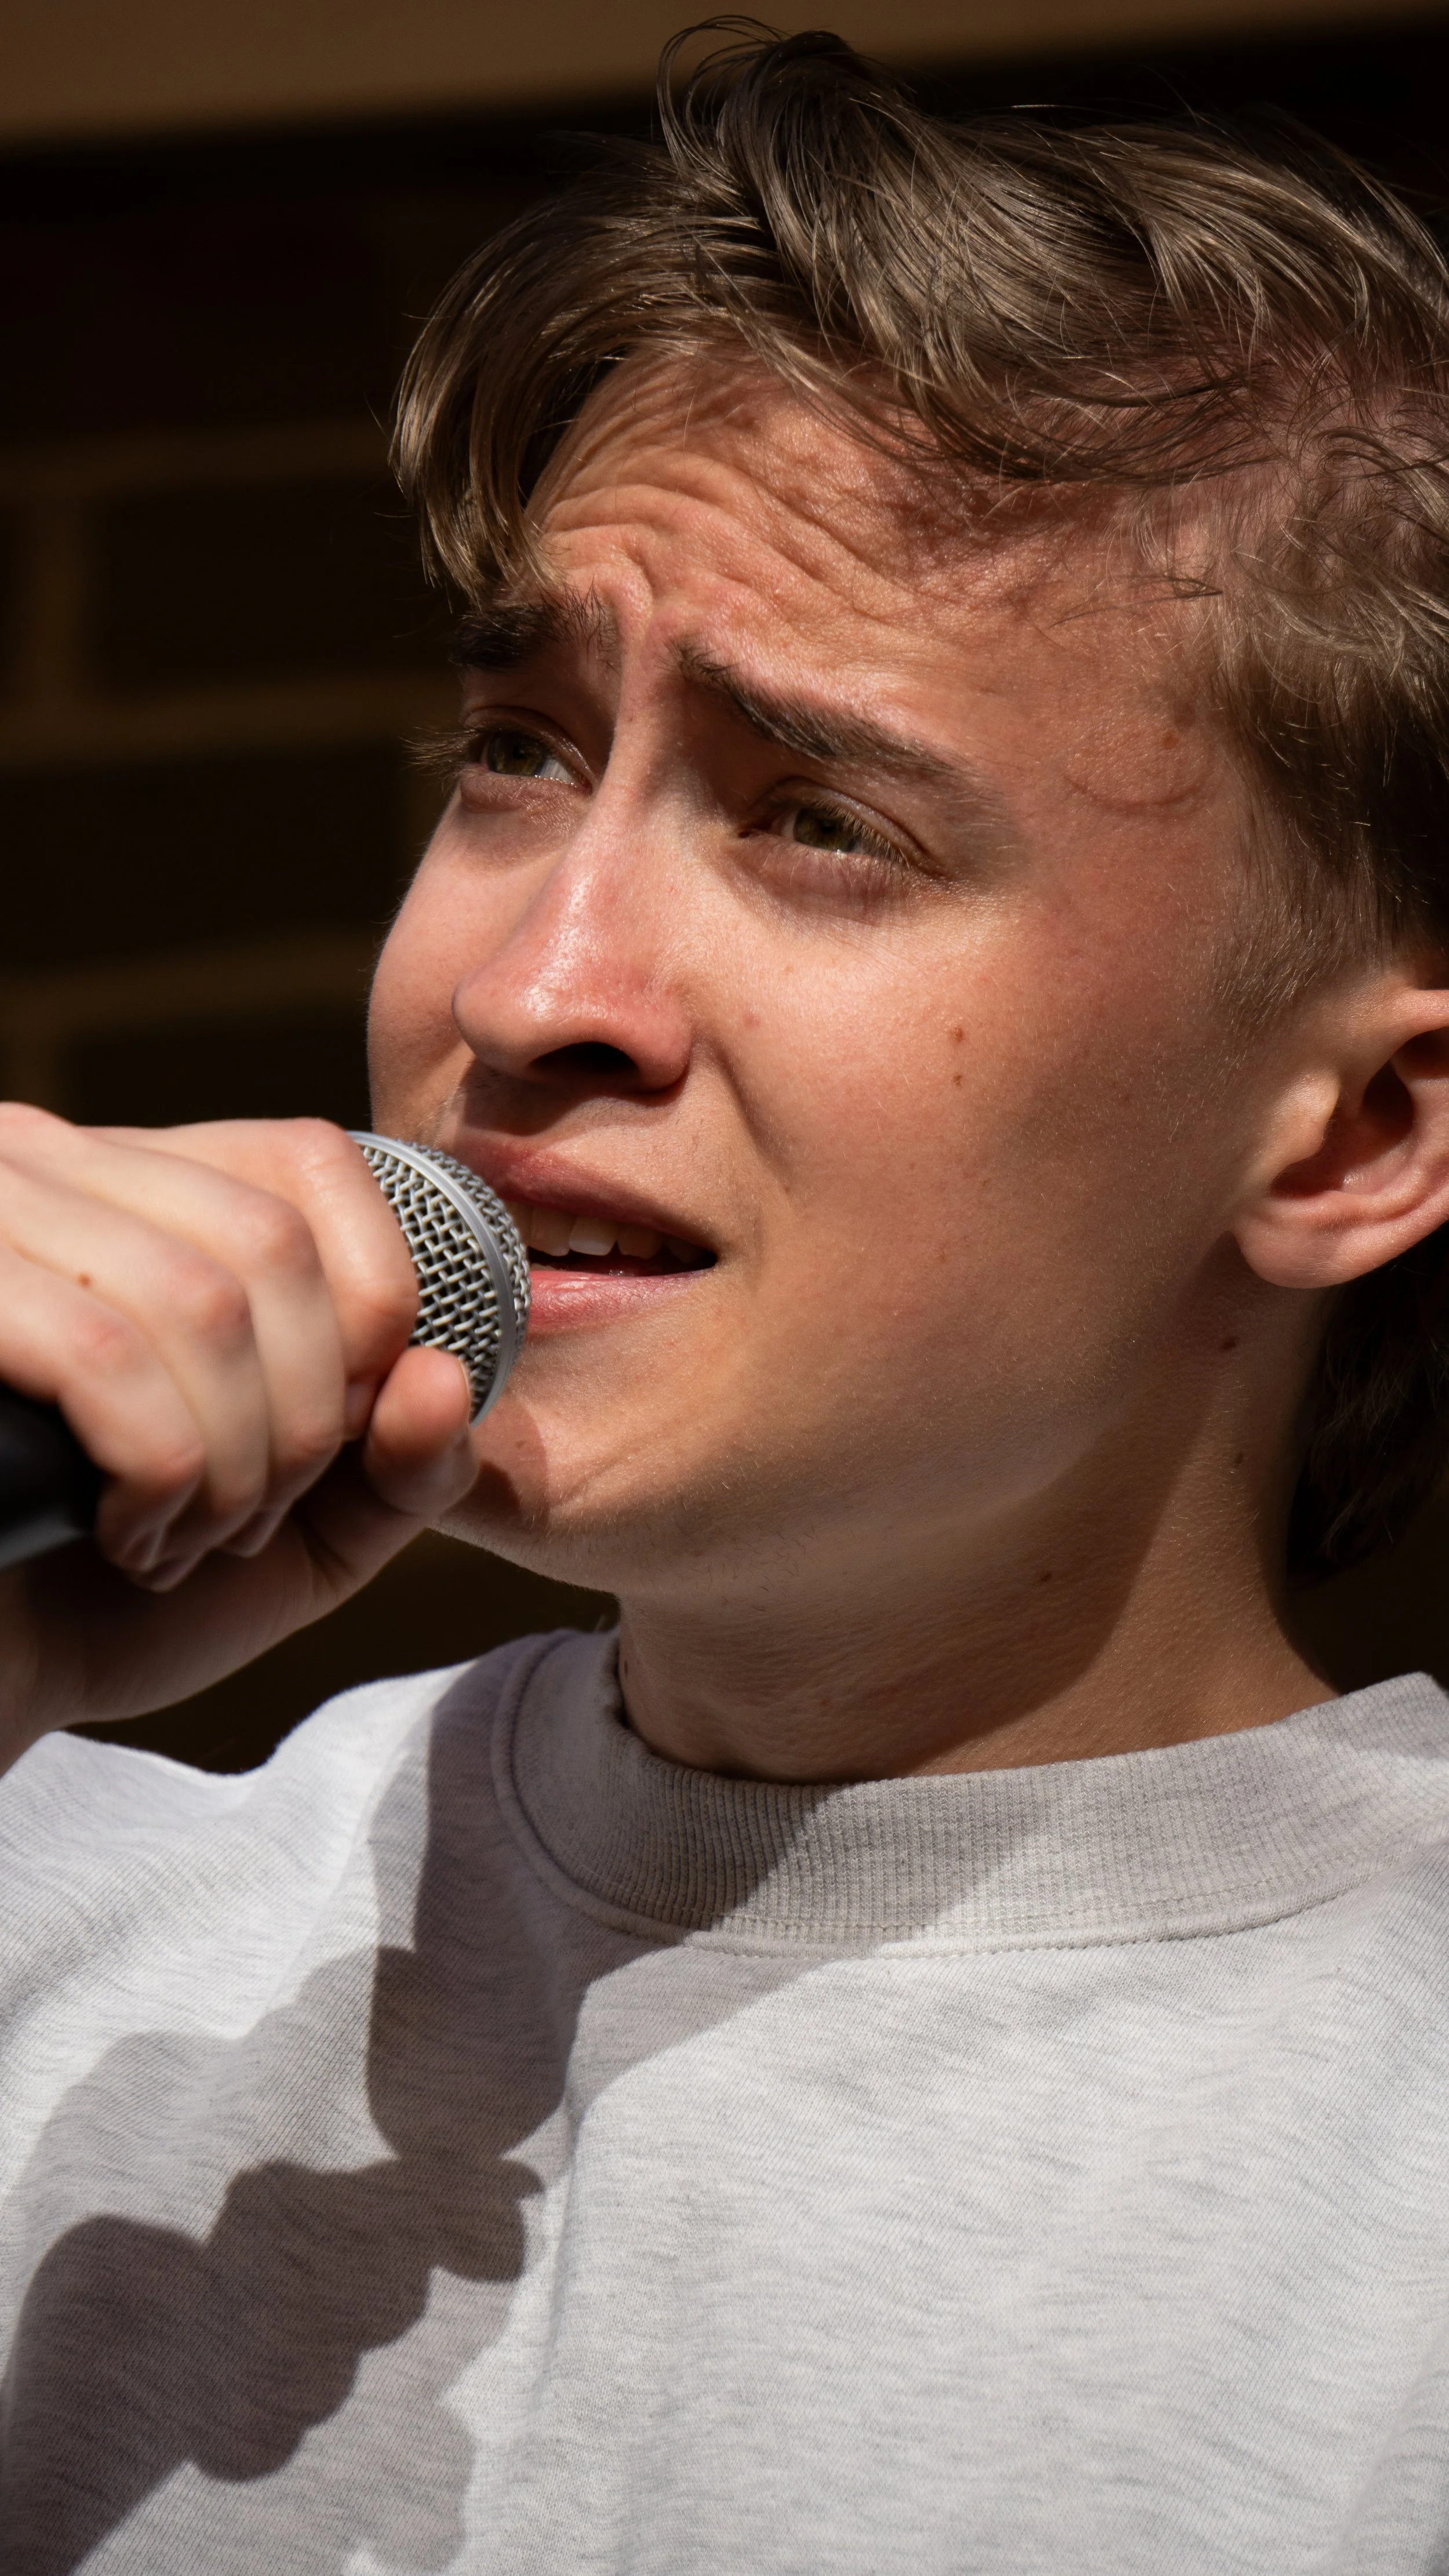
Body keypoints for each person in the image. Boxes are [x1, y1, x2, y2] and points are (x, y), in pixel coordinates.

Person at [4, 24, 1449, 2571]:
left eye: (819, 822)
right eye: (524, 754)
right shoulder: (64, 1916)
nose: (539, 982)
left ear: (1353, 1133)